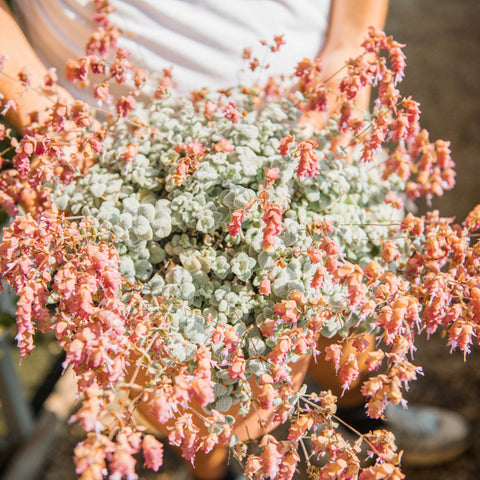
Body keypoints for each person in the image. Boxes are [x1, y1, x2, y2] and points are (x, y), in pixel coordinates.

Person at [0, 1, 471, 479]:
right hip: (106, 133)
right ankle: (218, 466)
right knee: (199, 393)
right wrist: (45, 115)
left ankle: (361, 414)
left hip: (303, 107)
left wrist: (351, 43)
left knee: (350, 305)